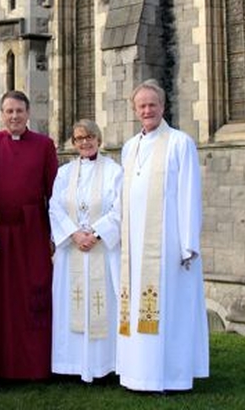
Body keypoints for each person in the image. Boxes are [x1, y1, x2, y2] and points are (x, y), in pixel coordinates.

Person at [116, 79, 209, 393]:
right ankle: (136, 375)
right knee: (135, 309)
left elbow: (189, 194)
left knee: (169, 310)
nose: (146, 110)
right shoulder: (130, 148)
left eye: (151, 105)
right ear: (134, 110)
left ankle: (168, 377)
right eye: (141, 106)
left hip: (168, 245)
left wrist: (188, 245)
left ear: (163, 107)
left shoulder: (180, 143)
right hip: (135, 247)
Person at [0, 90, 59, 381]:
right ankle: (0, 366)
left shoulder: (44, 145)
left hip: (32, 231)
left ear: (28, 114)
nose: (14, 116)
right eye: (9, 111)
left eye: (19, 111)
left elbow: (55, 194)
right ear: (2, 114)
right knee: (1, 298)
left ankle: (36, 366)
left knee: (34, 294)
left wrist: (55, 236)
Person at [49, 119, 122, 383]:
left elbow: (119, 208)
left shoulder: (114, 171)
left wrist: (97, 233)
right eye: (79, 138)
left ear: (99, 140)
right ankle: (70, 364)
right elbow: (55, 206)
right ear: (73, 142)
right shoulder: (65, 173)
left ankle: (103, 365)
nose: (85, 142)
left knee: (103, 305)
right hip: (71, 252)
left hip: (102, 251)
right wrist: (74, 234)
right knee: (71, 303)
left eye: (90, 137)